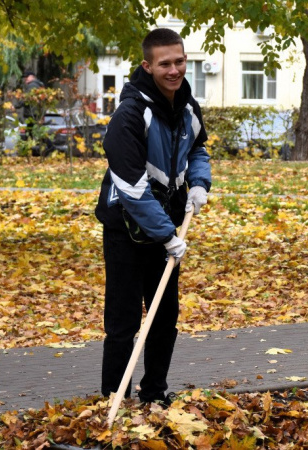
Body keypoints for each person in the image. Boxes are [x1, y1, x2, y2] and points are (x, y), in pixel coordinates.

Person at [94, 28, 212, 404]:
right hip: (125, 230)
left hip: (165, 230)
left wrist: (199, 183)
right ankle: (115, 399)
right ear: (148, 66)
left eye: (179, 61)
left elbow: (198, 150)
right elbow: (131, 188)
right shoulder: (129, 115)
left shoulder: (187, 107)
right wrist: (167, 235)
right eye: (165, 64)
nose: (174, 70)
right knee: (123, 322)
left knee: (163, 318)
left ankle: (154, 394)